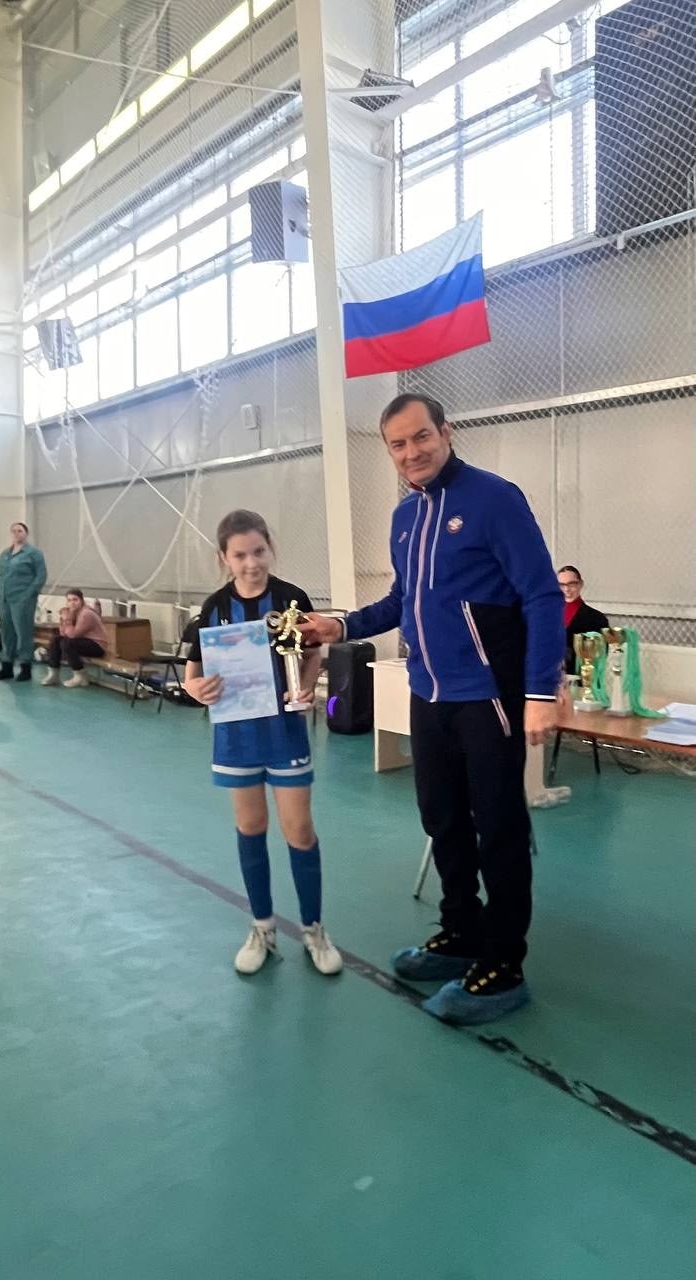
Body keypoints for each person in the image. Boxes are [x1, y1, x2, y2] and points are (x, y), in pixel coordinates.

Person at [299, 394, 564, 1026]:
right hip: (429, 694)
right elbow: (402, 600)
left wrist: (539, 692)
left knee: (498, 827)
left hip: (488, 696)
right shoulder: (404, 517)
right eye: (398, 444)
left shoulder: (495, 499)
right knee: (442, 818)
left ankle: (503, 965)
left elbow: (542, 595)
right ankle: (461, 931)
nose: (411, 452)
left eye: (421, 436)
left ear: (446, 431)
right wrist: (341, 625)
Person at [184, 509, 343, 978]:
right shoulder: (213, 608)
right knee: (251, 826)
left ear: (270, 547)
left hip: (284, 733)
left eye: (259, 551)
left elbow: (311, 655)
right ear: (224, 558)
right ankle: (262, 928)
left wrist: (306, 689)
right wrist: (195, 690)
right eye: (240, 555)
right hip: (236, 736)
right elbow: (193, 674)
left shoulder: (292, 600)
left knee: (299, 830)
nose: (251, 563)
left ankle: (313, 929)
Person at [0, 522, 47, 683]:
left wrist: (28, 595)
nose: (17, 533)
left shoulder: (33, 553)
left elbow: (41, 576)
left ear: (26, 533)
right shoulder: (5, 554)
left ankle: (25, 667)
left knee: (23, 633)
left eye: (20, 530)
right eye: (14, 531)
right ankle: (7, 667)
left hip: (22, 600)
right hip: (4, 600)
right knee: (6, 633)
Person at [42, 589, 107, 688]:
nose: (72, 603)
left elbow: (73, 635)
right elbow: (63, 633)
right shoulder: (73, 613)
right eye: (69, 600)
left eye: (75, 600)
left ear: (82, 601)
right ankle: (53, 674)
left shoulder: (86, 614)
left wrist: (67, 619)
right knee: (56, 639)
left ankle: (80, 677)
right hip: (83, 642)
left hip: (97, 646)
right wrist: (63, 619)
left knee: (68, 643)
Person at [557, 564, 609, 674]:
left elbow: (600, 654)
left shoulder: (596, 618)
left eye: (571, 584)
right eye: (561, 585)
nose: (566, 589)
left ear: (580, 584)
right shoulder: (546, 615)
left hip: (580, 676)